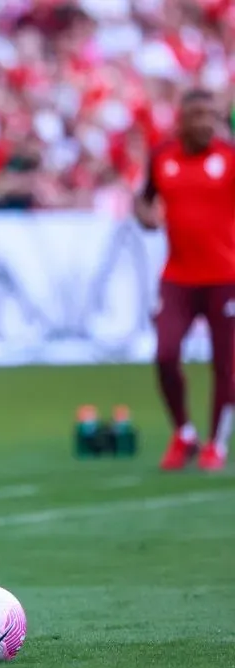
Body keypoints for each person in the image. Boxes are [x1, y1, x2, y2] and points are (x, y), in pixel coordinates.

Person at [134, 88, 235, 473]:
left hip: (225, 277)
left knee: (226, 365)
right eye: (198, 116)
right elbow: (143, 199)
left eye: (212, 115)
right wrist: (146, 216)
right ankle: (184, 433)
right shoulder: (163, 158)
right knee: (165, 353)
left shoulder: (229, 158)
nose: (206, 123)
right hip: (177, 276)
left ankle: (217, 444)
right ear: (182, 120)